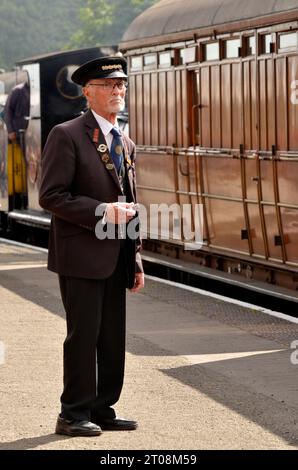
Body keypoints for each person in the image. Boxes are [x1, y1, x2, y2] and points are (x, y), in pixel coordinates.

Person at [39, 56, 144, 437]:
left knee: (112, 336)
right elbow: (51, 196)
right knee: (83, 335)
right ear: (88, 92)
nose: (118, 91)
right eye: (109, 85)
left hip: (116, 255)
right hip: (81, 254)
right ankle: (72, 413)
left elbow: (130, 202)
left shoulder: (125, 141)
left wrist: (135, 260)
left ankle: (102, 408)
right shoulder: (66, 134)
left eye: (121, 85)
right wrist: (102, 210)